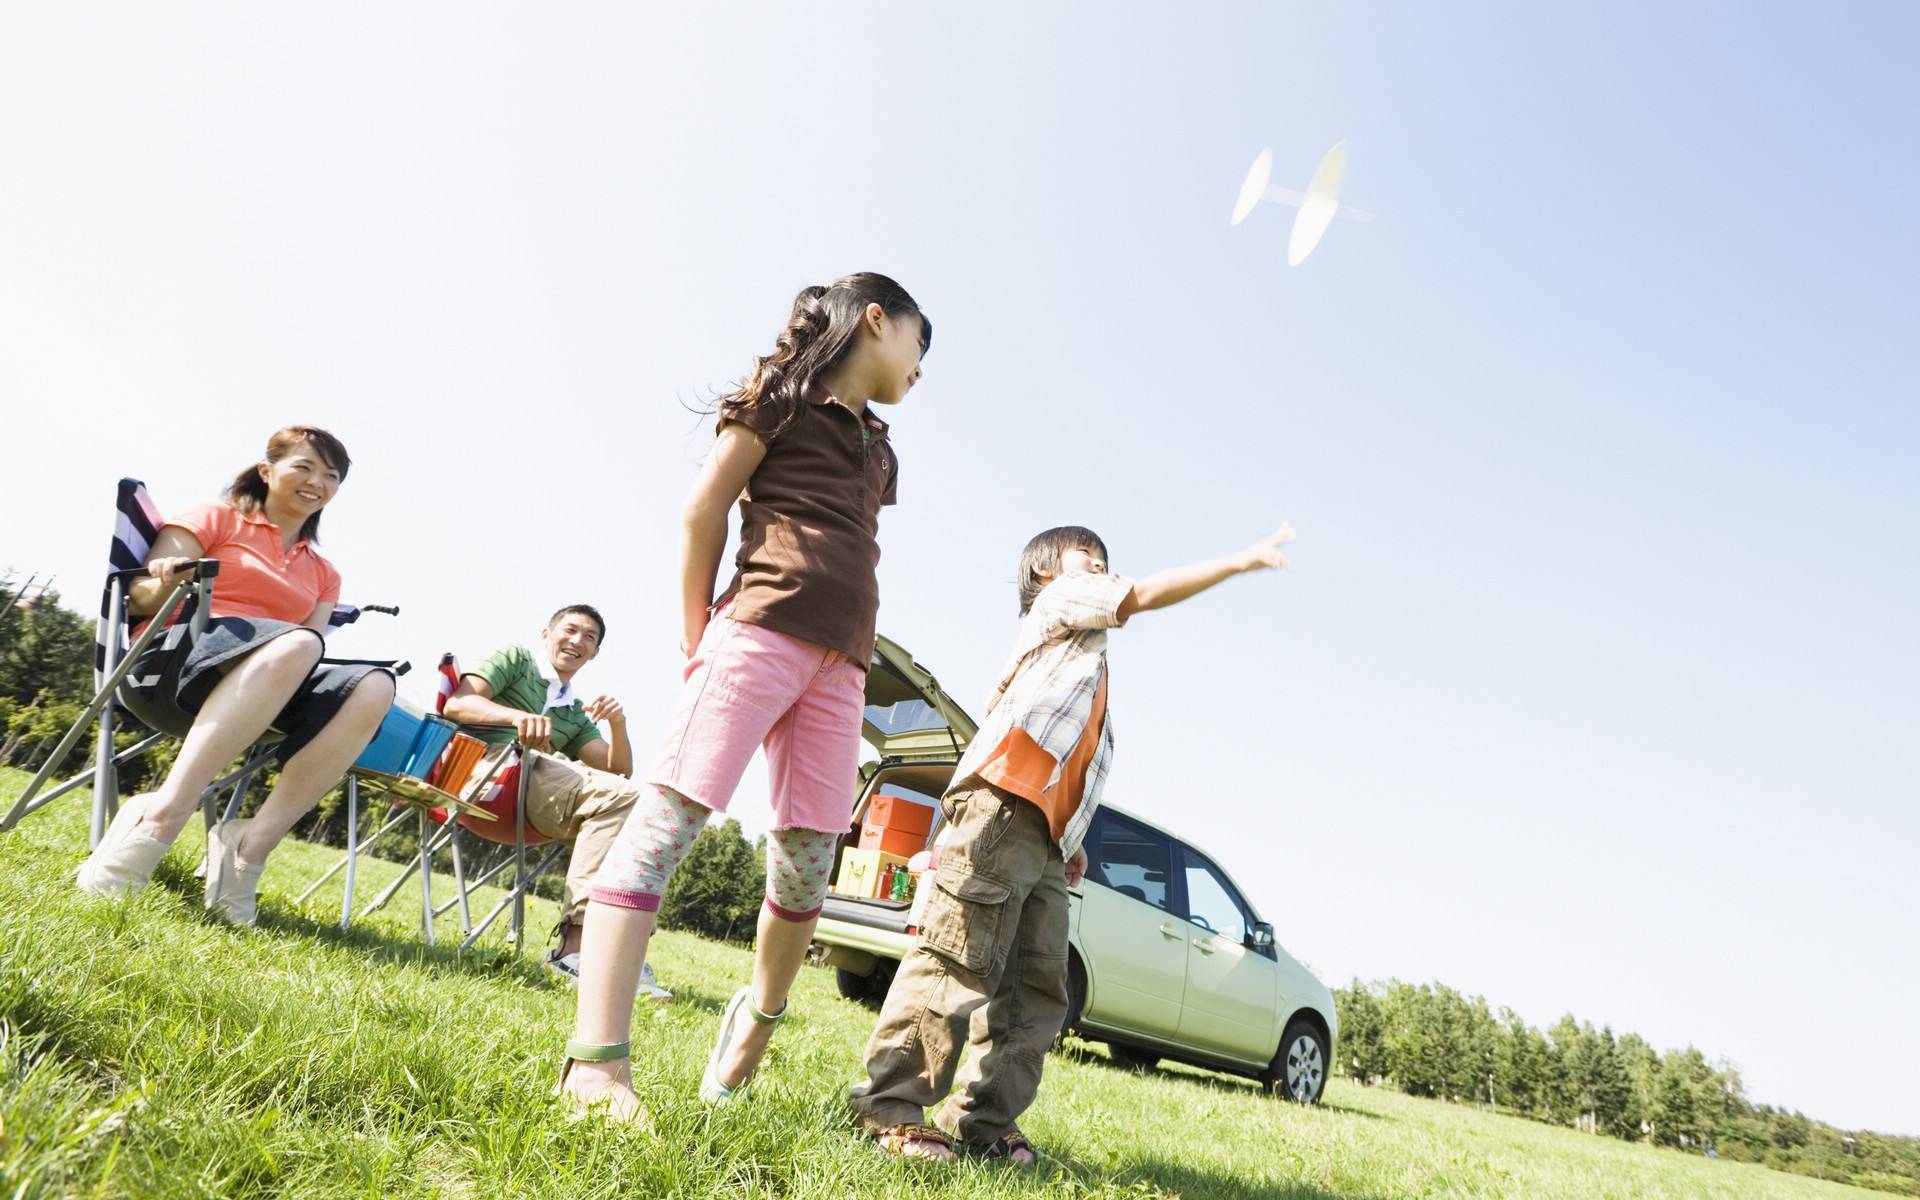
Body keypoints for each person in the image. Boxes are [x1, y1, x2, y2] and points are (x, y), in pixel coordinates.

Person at [557, 272, 931, 1124]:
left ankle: (755, 1023)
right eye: (919, 344)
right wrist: (699, 632)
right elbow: (705, 512)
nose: (920, 369)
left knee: (806, 866)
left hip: (842, 669)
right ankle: (596, 1065)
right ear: (877, 320)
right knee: (665, 827)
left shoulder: (881, 450)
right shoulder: (781, 398)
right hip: (754, 635)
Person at [849, 522, 1297, 1163]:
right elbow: (1137, 595)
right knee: (958, 956)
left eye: (1107, 562)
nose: (1103, 570)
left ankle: (981, 1119)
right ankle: (890, 1104)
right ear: (1046, 575)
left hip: (1047, 839)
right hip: (1001, 806)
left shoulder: (1091, 664)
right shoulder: (1057, 609)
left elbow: (1073, 754)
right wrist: (1237, 562)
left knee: (1035, 988)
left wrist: (1071, 833)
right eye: (1089, 560)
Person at [74, 425, 397, 926]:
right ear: (267, 471)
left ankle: (248, 848)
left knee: (374, 685)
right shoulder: (216, 517)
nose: (317, 482)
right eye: (304, 466)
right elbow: (136, 596)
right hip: (171, 665)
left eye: (331, 476)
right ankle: (161, 817)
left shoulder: (324, 573)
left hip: (262, 684)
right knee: (297, 643)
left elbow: (307, 652)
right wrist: (169, 581)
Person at [441, 605, 669, 999]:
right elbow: (457, 705)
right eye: (571, 630)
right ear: (546, 635)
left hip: (530, 800)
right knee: (627, 800)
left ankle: (622, 956)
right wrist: (516, 718)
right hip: (481, 774)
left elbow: (618, 770)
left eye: (590, 638)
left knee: (648, 812)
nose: (578, 641)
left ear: (594, 654)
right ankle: (573, 952)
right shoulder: (515, 660)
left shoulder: (573, 713)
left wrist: (618, 723)